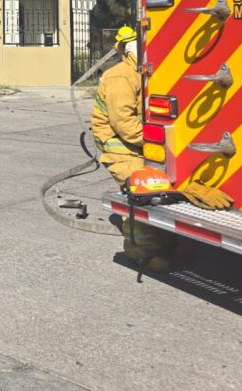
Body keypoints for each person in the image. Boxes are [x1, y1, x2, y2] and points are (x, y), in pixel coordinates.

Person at [91, 26, 232, 271]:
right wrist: (157, 142)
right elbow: (123, 123)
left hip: (139, 148)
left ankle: (168, 244)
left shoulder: (142, 72)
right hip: (122, 151)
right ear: (129, 49)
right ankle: (142, 254)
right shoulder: (120, 77)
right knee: (141, 196)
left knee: (163, 193)